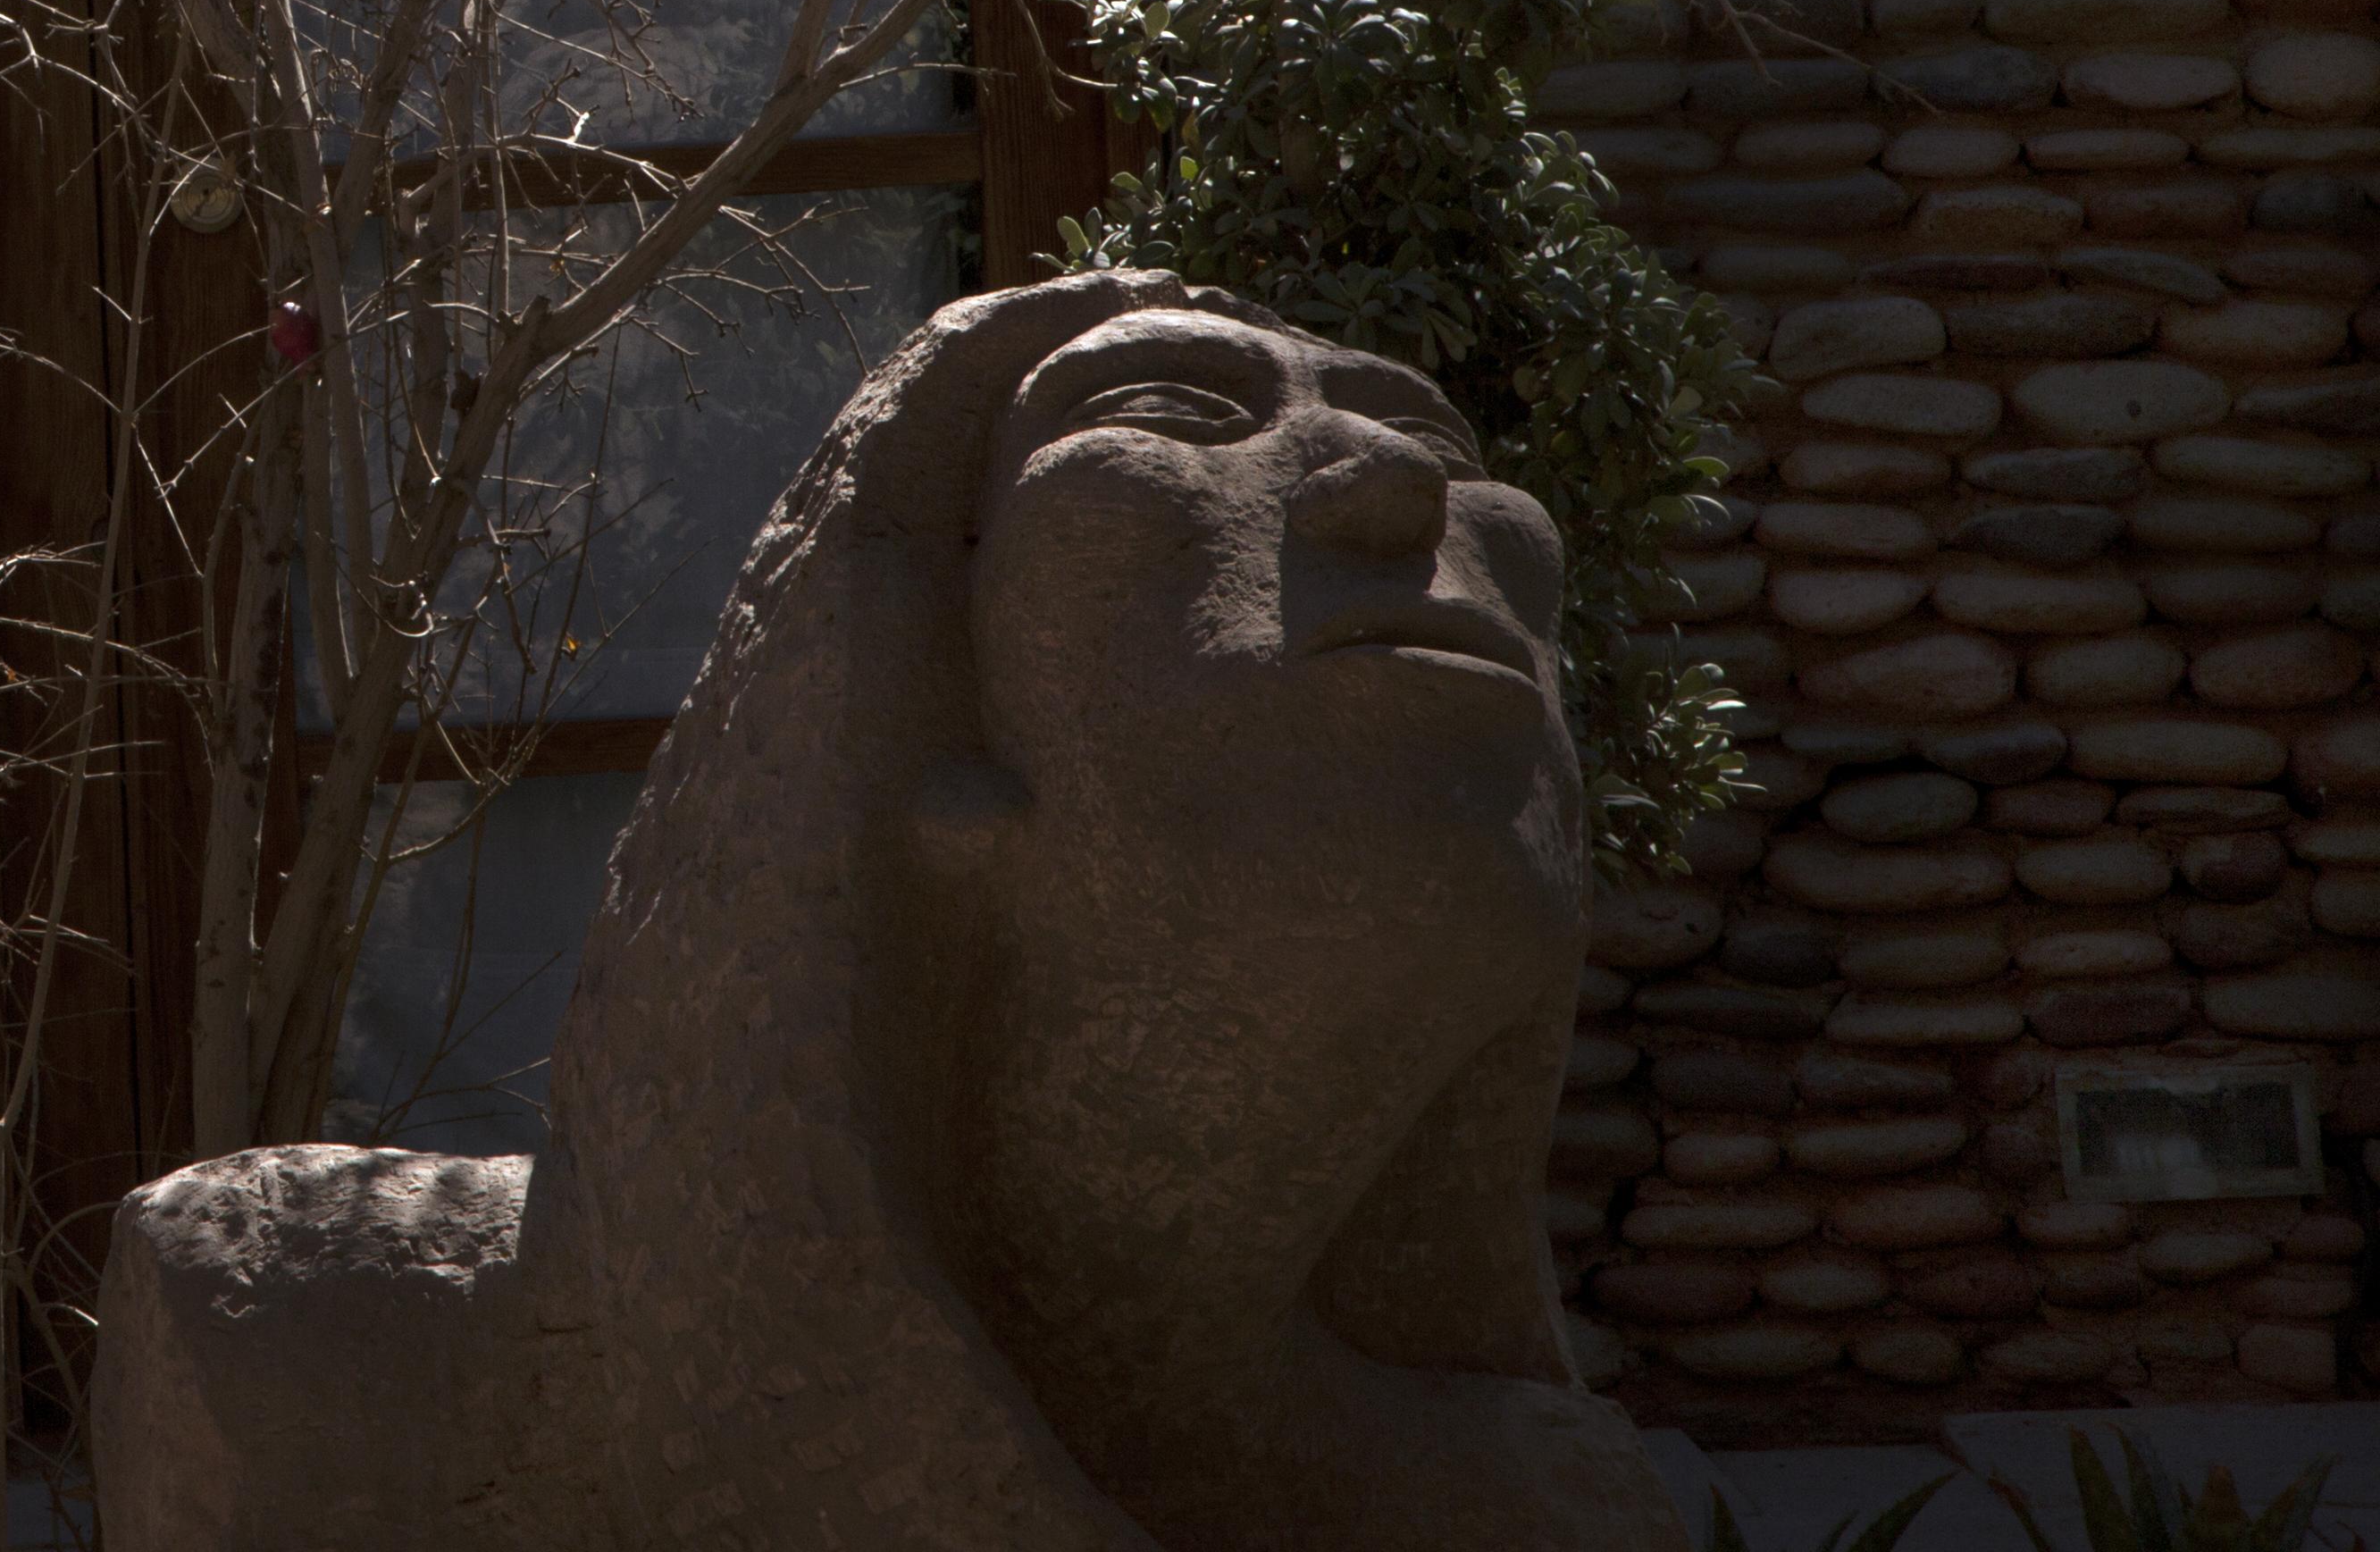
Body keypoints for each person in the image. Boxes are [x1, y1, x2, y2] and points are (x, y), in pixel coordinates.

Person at [93, 271, 1686, 1552]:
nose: (1406, 483)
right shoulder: (299, 1358)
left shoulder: (1535, 1504)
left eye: (1443, 442)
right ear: (933, 739)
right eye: (1169, 412)